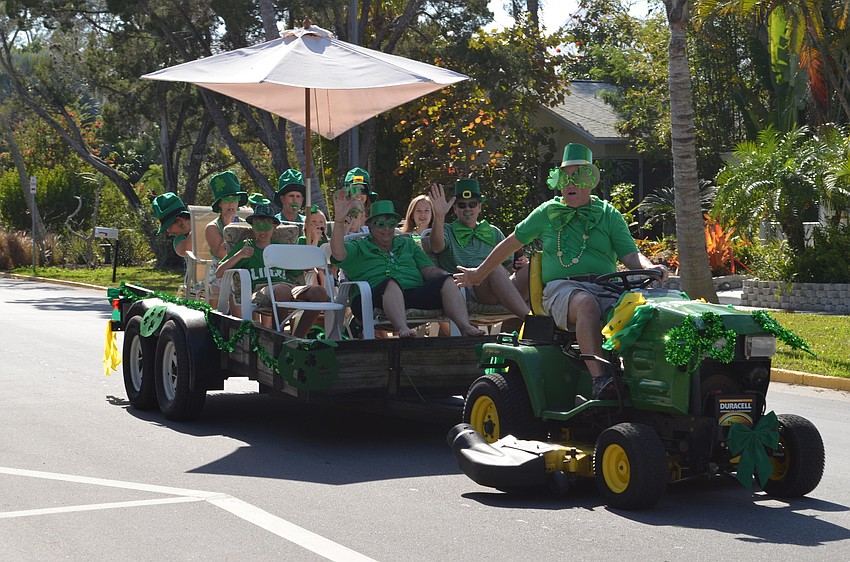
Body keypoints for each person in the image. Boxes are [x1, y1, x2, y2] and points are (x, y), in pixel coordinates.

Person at [454, 143, 668, 399]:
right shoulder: (548, 212)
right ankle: (600, 381)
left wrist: (650, 268)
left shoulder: (608, 214)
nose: (570, 183)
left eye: (578, 176)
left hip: (607, 287)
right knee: (586, 304)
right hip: (562, 290)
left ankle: (645, 380)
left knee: (644, 313)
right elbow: (511, 243)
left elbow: (632, 256)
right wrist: (478, 274)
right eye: (565, 176)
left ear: (590, 181)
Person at [330, 192, 485, 338]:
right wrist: (339, 220)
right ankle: (403, 328)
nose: (387, 229)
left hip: (411, 294)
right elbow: (338, 253)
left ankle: (465, 327)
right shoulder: (359, 246)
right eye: (381, 224)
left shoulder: (407, 244)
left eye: (391, 224)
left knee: (448, 281)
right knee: (390, 283)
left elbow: (428, 269)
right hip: (370, 297)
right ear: (370, 226)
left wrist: (444, 275)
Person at [215, 204, 329, 336]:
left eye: (267, 225)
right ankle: (278, 337)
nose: (262, 230)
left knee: (319, 292)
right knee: (282, 290)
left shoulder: (280, 249)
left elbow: (295, 273)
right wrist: (240, 255)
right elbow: (219, 273)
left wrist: (305, 264)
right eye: (258, 225)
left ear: (275, 228)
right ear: (252, 227)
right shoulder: (246, 246)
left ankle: (297, 338)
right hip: (261, 289)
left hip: (288, 286)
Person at [429, 179, 530, 320]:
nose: (467, 208)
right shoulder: (447, 229)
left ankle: (553, 320)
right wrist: (439, 217)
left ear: (480, 207)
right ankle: (530, 320)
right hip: (469, 289)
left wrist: (521, 265)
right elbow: (436, 246)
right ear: (455, 209)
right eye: (462, 205)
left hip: (501, 286)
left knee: (533, 267)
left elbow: (510, 265)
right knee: (492, 267)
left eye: (472, 204)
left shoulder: (493, 231)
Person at [151, 192, 191, 257]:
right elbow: (183, 250)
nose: (169, 232)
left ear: (179, 220)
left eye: (168, 226)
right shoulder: (179, 239)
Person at [340, 167, 377, 238]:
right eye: (354, 190)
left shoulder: (375, 218)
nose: (358, 194)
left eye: (362, 190)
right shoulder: (341, 218)